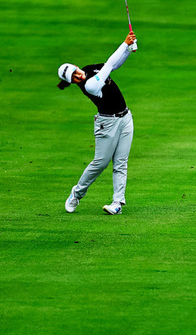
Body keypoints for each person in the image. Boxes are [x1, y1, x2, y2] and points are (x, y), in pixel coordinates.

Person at [56, 31, 138, 215]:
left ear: (76, 66)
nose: (78, 76)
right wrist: (124, 44)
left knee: (121, 162)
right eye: (73, 78)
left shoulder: (90, 68)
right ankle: (76, 193)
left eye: (76, 72)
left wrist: (128, 50)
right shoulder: (89, 86)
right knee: (100, 163)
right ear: (72, 82)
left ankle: (117, 203)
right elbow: (109, 65)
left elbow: (114, 65)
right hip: (107, 124)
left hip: (125, 118)